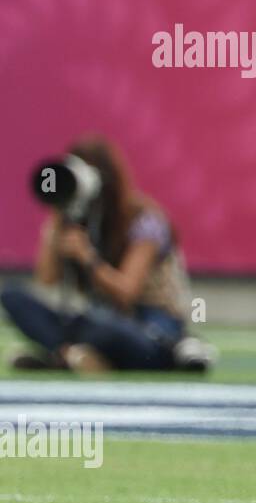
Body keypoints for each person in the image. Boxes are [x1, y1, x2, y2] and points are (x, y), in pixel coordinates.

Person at [2, 136, 199, 372]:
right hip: (96, 318)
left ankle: (66, 356)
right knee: (12, 297)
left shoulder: (144, 220)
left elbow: (126, 292)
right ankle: (76, 355)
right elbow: (46, 278)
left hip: (147, 320)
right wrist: (57, 210)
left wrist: (87, 257)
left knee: (104, 328)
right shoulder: (69, 220)